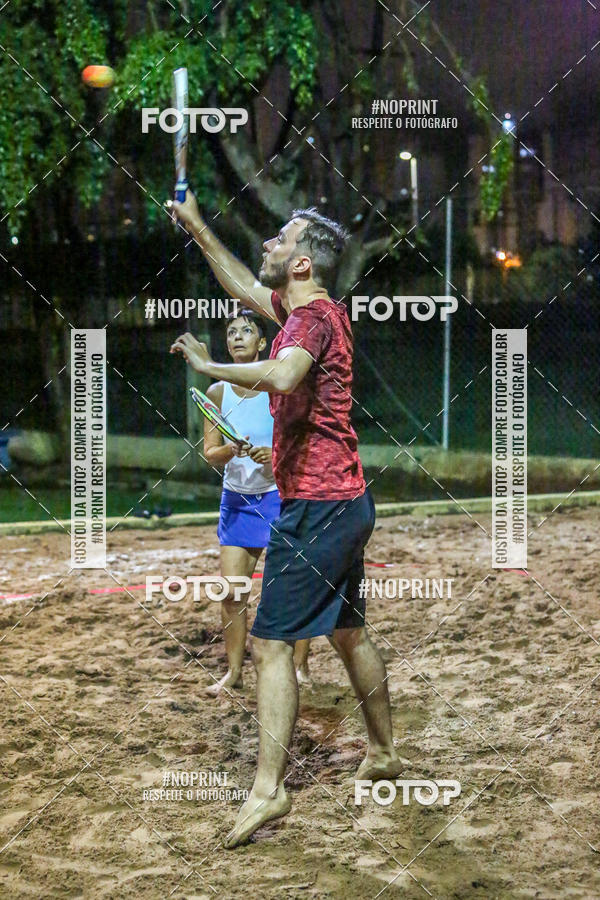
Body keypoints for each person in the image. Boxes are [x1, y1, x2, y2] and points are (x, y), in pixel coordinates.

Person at [170, 191, 401, 848]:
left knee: (272, 644)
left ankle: (269, 792)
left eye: (278, 239)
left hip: (320, 508)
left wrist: (209, 367)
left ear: (301, 262)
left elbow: (281, 373)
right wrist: (198, 229)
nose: (268, 245)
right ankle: (384, 751)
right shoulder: (310, 308)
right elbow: (242, 283)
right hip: (345, 501)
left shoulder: (308, 325)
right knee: (349, 632)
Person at [202, 309, 311, 696]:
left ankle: (300, 666)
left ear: (263, 342)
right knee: (232, 592)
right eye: (231, 332)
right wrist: (229, 451)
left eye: (246, 330)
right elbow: (208, 452)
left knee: (292, 589)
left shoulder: (279, 386)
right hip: (237, 501)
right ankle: (234, 673)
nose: (237, 337)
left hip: (279, 497)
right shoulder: (218, 392)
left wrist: (272, 451)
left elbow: (301, 441)